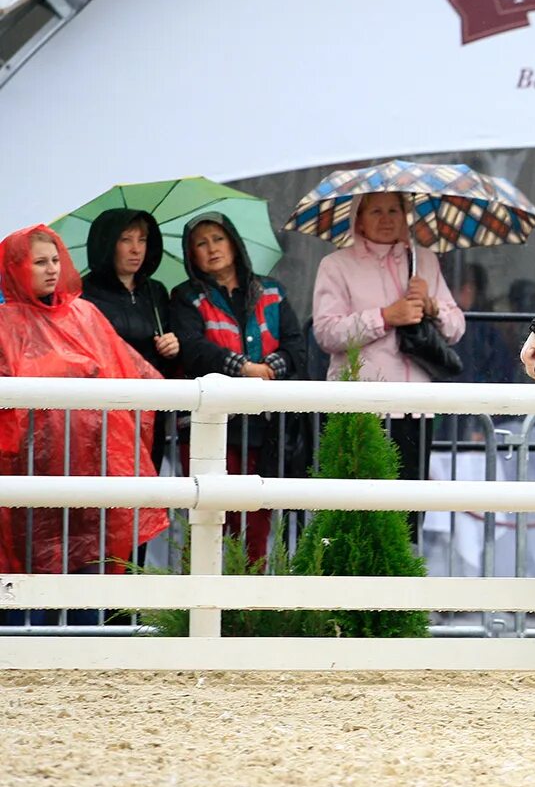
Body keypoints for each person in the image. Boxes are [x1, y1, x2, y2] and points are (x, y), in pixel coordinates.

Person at [0, 225, 169, 608]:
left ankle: (89, 645)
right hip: (29, 471)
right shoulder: (5, 324)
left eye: (56, 260)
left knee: (93, 562)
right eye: (39, 262)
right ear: (15, 268)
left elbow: (133, 373)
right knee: (28, 573)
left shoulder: (85, 314)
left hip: (94, 465)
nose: (51, 269)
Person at [311, 192, 464, 542]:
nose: (386, 218)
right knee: (357, 510)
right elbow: (327, 332)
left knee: (408, 514)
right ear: (358, 219)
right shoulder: (335, 265)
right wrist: (385, 317)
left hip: (415, 409)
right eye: (375, 210)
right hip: (359, 407)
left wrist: (432, 306)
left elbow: (456, 328)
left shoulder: (424, 260)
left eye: (395, 210)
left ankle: (401, 589)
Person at [170, 212, 305, 563]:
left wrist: (266, 370)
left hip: (265, 426)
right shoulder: (186, 297)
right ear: (191, 255)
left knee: (257, 521)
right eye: (201, 243)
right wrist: (245, 368)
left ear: (233, 242)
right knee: (211, 520)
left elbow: (296, 346)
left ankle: (246, 611)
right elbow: (194, 348)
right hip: (209, 427)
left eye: (218, 238)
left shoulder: (272, 291)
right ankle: (202, 610)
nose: (212, 248)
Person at [81, 209, 179, 469]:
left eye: (142, 240)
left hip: (151, 407)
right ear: (107, 243)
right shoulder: (84, 294)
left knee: (148, 483)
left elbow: (168, 350)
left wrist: (171, 346)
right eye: (126, 240)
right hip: (106, 408)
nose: (136, 249)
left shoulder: (155, 291)